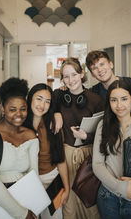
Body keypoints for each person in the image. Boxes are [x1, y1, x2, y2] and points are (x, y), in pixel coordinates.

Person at [92, 79, 131, 219]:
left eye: (124, 99)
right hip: (108, 196)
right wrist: (121, 188)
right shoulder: (103, 125)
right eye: (114, 100)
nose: (119, 105)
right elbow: (97, 164)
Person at [0, 77, 39, 219]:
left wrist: (32, 206)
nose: (18, 114)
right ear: (2, 109)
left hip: (26, 200)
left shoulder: (30, 136)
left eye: (23, 109)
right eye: (12, 109)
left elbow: (33, 175)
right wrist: (21, 214)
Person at [53, 57, 105, 219]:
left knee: (89, 200)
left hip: (89, 155)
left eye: (74, 74)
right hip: (66, 156)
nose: (70, 80)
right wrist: (56, 113)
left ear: (82, 74)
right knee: (69, 203)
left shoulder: (96, 100)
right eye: (66, 76)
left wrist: (86, 136)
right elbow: (48, 109)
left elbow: (105, 133)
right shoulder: (58, 96)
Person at [24, 83, 69, 219]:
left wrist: (66, 188)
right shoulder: (19, 123)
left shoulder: (53, 124)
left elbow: (60, 159)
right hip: (28, 181)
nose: (42, 105)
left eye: (47, 101)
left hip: (52, 180)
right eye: (39, 99)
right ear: (30, 98)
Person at [86, 50, 131, 120]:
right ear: (92, 74)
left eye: (102, 64)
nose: (99, 70)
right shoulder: (93, 93)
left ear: (111, 64)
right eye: (94, 68)